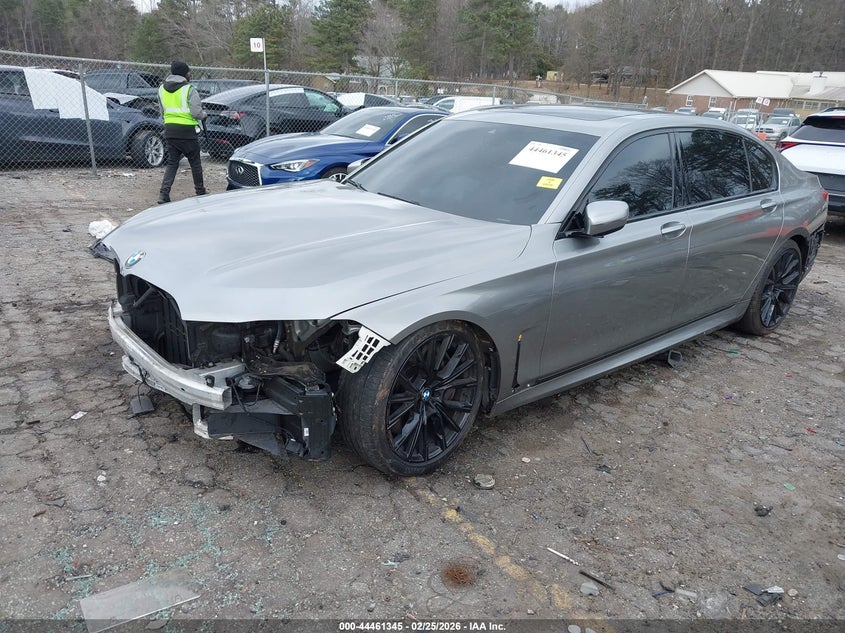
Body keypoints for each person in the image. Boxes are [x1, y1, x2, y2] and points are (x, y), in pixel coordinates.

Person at [157, 60, 207, 204]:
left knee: (172, 163)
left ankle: (163, 194)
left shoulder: (161, 89)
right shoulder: (189, 89)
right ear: (185, 74)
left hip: (170, 131)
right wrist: (204, 115)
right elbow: (196, 112)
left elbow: (162, 111)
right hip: (187, 132)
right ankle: (200, 192)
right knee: (195, 163)